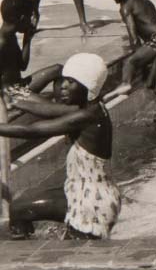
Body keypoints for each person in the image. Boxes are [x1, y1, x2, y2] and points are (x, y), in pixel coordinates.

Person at [0, 52, 121, 240]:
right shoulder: (89, 108)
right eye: (63, 80)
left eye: (71, 82)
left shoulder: (86, 117)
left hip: (91, 205)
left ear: (88, 86)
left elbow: (31, 130)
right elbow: (47, 108)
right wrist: (15, 96)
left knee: (19, 210)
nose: (62, 86)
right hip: (92, 194)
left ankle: (24, 254)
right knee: (21, 206)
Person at [108, 0, 156, 94]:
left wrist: (137, 58)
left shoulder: (126, 7)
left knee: (130, 62)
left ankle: (126, 84)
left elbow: (134, 39)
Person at [0, 0, 64, 101]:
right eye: (30, 17)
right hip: (9, 94)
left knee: (58, 69)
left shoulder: (11, 36)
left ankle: (60, 100)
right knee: (46, 103)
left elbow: (22, 66)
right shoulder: (2, 44)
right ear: (22, 18)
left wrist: (27, 38)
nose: (31, 21)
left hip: (18, 86)